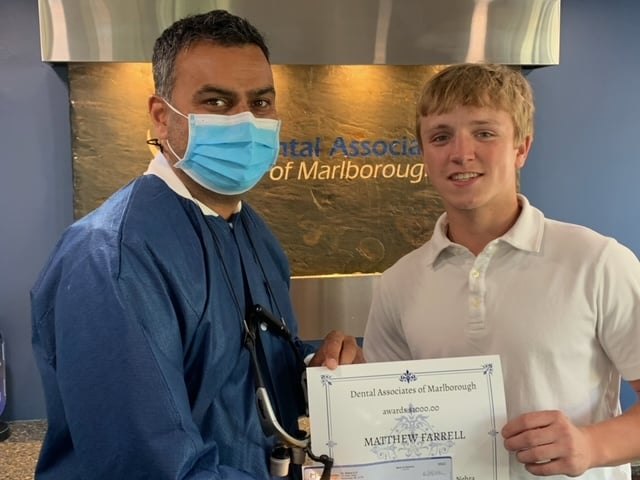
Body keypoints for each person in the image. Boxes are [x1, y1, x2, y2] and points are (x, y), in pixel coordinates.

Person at [31, 10, 363, 480]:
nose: (246, 121)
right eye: (217, 102)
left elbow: (239, 370)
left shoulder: (252, 233)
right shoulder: (112, 259)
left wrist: (318, 369)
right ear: (161, 117)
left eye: (260, 102)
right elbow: (149, 466)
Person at [363, 63, 640, 479]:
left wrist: (590, 445)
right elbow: (387, 424)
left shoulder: (597, 262)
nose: (461, 153)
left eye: (485, 133)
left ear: (521, 148)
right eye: (440, 137)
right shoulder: (398, 284)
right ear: (424, 154)